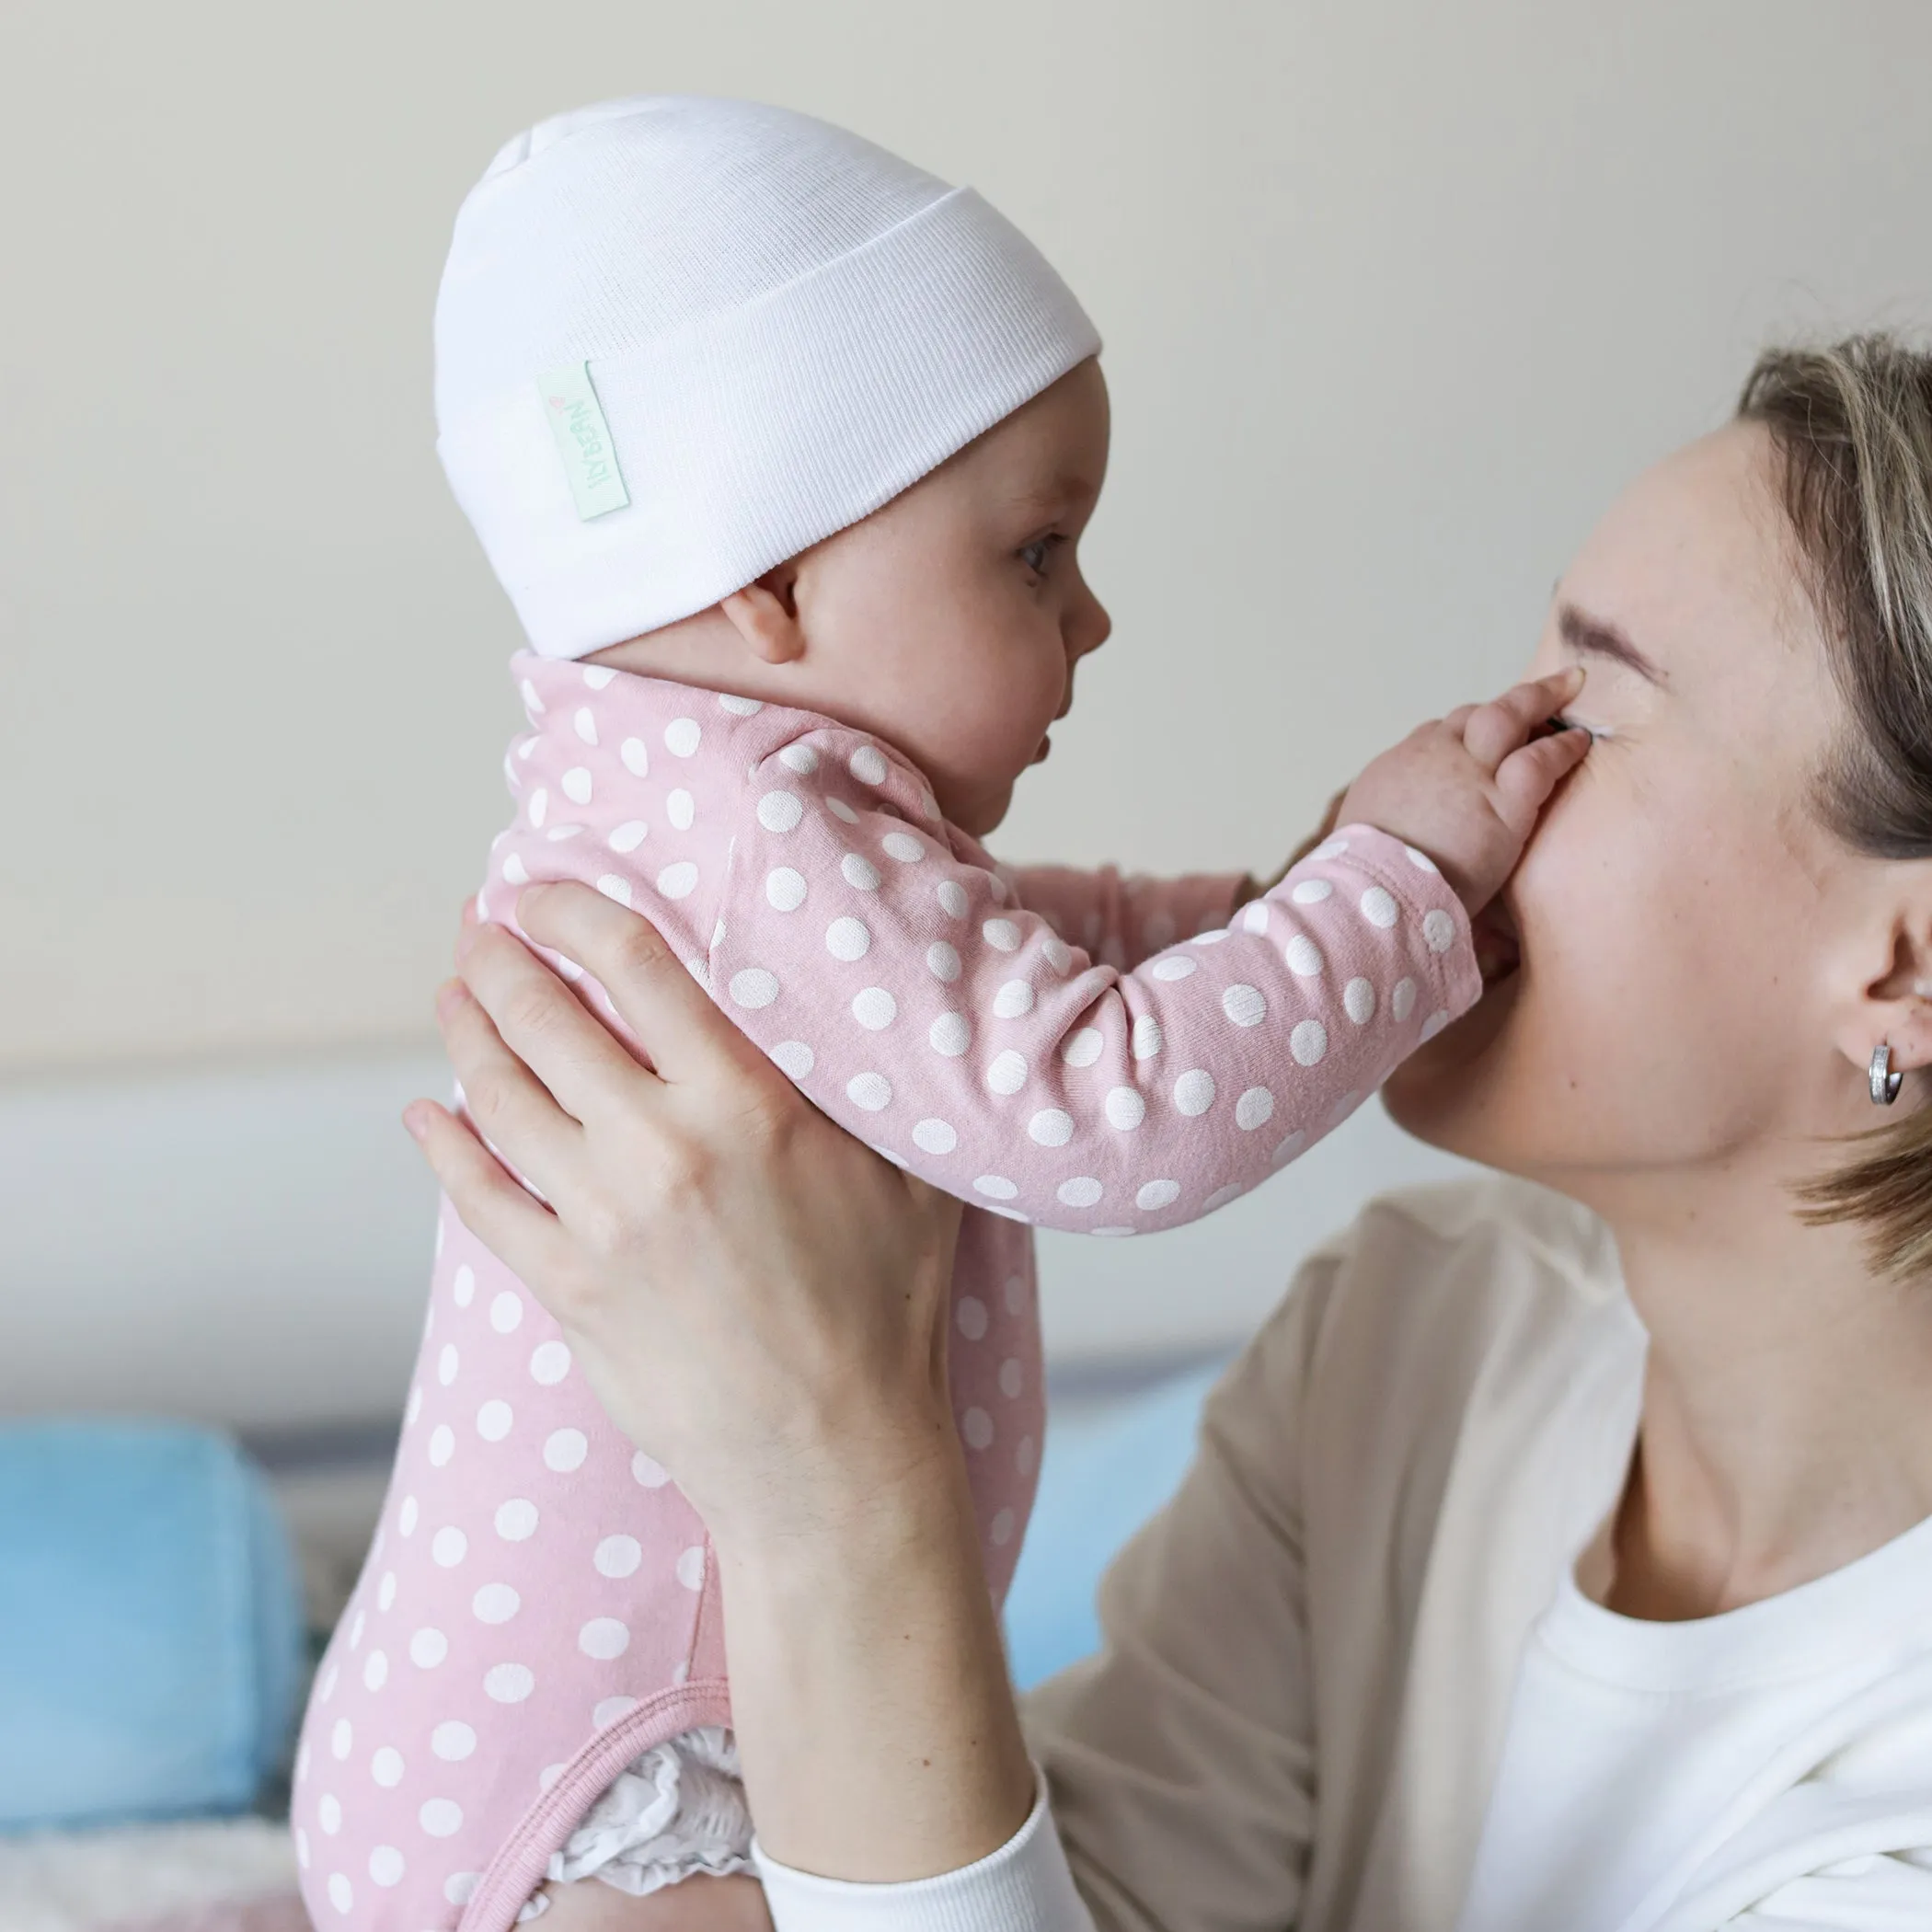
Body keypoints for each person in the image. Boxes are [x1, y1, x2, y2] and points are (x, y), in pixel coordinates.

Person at [408, 330, 1932, 1932]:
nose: (1482, 758)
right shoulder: (1426, 1334)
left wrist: (835, 1486)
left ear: (1902, 968)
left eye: (1594, 713)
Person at [294, 96, 1592, 1932]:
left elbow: (991, 969)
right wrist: (1386, 896)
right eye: (1035, 553)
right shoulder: (753, 831)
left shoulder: (696, 802)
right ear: (765, 579)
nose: (1093, 617)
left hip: (543, 1733)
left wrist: (1280, 909)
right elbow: (1109, 1116)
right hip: (625, 1785)